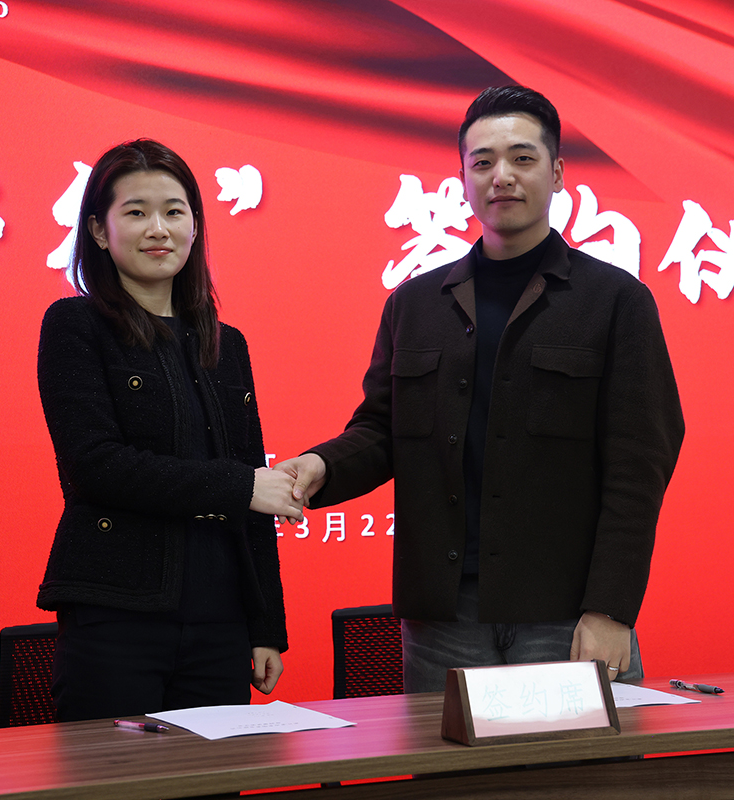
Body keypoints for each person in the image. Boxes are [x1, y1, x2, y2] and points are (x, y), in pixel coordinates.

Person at [275, 86, 684, 692]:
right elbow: (383, 430)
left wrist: (610, 609)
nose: (502, 177)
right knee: (446, 758)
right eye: (483, 161)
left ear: (557, 173)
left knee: (577, 761)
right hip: (443, 617)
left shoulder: (616, 300)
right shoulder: (415, 304)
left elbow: (639, 464)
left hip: (566, 613)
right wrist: (320, 467)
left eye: (523, 158)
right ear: (463, 177)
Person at [36, 138, 302, 721]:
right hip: (116, 613)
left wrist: (266, 627)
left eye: (174, 211)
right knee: (112, 771)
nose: (158, 228)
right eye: (136, 212)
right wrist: (240, 486)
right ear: (100, 231)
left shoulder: (227, 345)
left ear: (195, 226)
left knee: (215, 772)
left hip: (221, 621)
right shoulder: (75, 324)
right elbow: (96, 466)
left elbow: (256, 491)